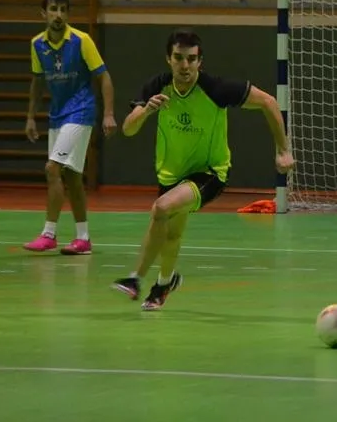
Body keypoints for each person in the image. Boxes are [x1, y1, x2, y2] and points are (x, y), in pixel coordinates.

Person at [111, 28, 294, 311]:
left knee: (161, 208)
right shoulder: (157, 86)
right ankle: (164, 284)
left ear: (200, 61)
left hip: (209, 174)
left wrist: (283, 150)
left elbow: (268, 102)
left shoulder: (215, 89)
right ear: (169, 59)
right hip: (171, 174)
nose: (185, 65)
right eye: (178, 58)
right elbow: (128, 128)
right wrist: (146, 110)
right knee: (172, 234)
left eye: (191, 59)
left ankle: (136, 278)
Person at [22, 0, 117, 255]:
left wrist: (108, 113)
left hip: (81, 111)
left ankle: (48, 234)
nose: (59, 15)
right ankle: (83, 239)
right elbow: (37, 82)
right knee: (72, 176)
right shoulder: (37, 45)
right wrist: (30, 117)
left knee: (52, 168)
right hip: (57, 115)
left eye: (63, 10)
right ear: (44, 13)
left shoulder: (81, 40)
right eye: (53, 9)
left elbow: (104, 76)